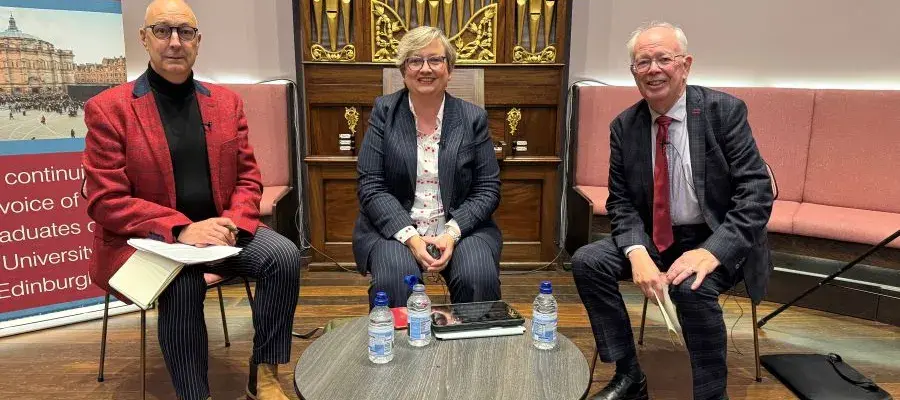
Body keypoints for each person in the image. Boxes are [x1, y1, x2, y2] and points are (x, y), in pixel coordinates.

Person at [81, 1, 299, 399]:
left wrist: (232, 222)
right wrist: (181, 229)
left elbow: (249, 178)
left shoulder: (226, 102)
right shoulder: (108, 109)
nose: (175, 42)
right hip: (144, 243)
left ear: (198, 41)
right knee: (180, 284)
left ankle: (264, 374)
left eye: (185, 32)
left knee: (283, 256)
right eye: (163, 31)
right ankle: (194, 394)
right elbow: (105, 201)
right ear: (143, 38)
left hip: (220, 232)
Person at [572, 22, 773, 400]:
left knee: (691, 287)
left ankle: (712, 395)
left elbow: (756, 193)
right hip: (656, 238)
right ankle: (630, 376)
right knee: (588, 261)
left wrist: (711, 252)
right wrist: (637, 253)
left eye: (663, 59)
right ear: (633, 72)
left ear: (685, 65)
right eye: (642, 62)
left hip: (714, 236)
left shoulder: (723, 112)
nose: (653, 70)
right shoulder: (625, 126)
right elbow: (621, 201)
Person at [352, 26, 502, 308]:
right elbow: (371, 184)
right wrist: (411, 237)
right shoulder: (384, 112)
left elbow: (488, 188)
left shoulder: (473, 118)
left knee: (478, 276)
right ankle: (403, 351)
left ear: (450, 68)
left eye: (435, 59)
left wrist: (452, 233)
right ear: (403, 69)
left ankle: (472, 352)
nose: (425, 69)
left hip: (460, 228)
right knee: (396, 279)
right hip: (396, 230)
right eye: (415, 60)